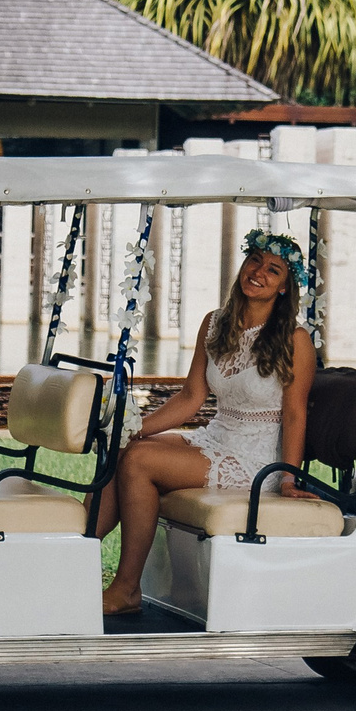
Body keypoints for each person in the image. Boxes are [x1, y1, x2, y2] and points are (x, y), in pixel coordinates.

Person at [89, 230, 317, 616]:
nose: (258, 272)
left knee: (140, 461)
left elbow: (296, 415)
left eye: (273, 269)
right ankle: (71, 557)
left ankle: (126, 589)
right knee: (125, 448)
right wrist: (131, 430)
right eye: (254, 261)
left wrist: (288, 479)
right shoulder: (214, 323)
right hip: (216, 437)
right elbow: (191, 398)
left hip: (254, 459)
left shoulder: (295, 340)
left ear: (284, 287)